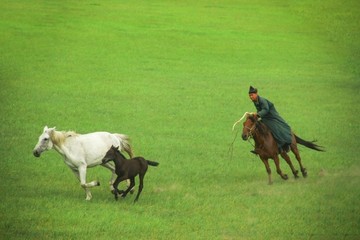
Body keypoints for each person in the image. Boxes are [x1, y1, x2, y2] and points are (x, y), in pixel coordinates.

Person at [248, 86, 292, 154]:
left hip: (272, 117)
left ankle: (282, 145)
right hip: (265, 117)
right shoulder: (255, 101)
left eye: (252, 95)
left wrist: (257, 114)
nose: (251, 97)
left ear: (256, 94)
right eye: (250, 95)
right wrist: (255, 115)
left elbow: (266, 109)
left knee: (273, 128)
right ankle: (258, 147)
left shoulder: (262, 100)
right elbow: (260, 110)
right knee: (257, 127)